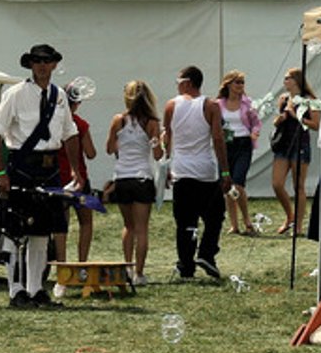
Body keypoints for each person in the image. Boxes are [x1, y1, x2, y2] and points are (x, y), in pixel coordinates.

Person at [0, 43, 87, 308]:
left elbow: (71, 134)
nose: (42, 65)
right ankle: (15, 290)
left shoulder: (60, 96)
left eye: (47, 60)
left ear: (54, 65)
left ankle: (36, 290)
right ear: (30, 65)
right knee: (14, 231)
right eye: (37, 60)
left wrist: (77, 170)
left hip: (50, 168)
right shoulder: (15, 94)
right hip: (21, 166)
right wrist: (0, 172)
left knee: (42, 233)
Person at [162, 64, 230, 281]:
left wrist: (165, 164)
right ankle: (207, 252)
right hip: (205, 169)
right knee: (214, 217)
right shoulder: (210, 106)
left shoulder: (171, 105)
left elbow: (167, 137)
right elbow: (218, 139)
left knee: (185, 221)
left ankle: (186, 264)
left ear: (187, 83)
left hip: (182, 170)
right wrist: (225, 171)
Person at [106, 79, 164, 284]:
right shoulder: (152, 122)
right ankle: (139, 273)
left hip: (122, 177)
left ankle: (127, 267)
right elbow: (157, 154)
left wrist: (123, 143)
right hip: (142, 177)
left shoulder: (118, 120)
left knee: (128, 226)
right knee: (142, 228)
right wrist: (158, 141)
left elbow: (110, 148)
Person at [269, 67, 321, 236]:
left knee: (298, 185)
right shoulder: (284, 99)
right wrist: (281, 118)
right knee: (277, 184)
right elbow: (276, 122)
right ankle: (289, 216)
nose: (285, 81)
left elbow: (315, 125)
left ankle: (298, 225)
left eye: (288, 78)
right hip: (283, 145)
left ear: (296, 81)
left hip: (300, 144)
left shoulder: (310, 100)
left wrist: (296, 115)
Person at [52, 81, 98, 265]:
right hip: (78, 178)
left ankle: (62, 263)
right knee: (86, 222)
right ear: (77, 103)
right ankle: (81, 262)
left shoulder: (53, 124)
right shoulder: (80, 124)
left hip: (57, 178)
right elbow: (91, 153)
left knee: (61, 225)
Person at [217, 70, 262, 235]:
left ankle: (247, 220)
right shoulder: (218, 104)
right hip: (226, 145)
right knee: (227, 185)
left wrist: (255, 132)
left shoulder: (247, 103)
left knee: (238, 183)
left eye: (242, 82)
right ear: (228, 84)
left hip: (243, 144)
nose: (240, 86)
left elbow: (256, 122)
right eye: (237, 82)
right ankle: (234, 224)